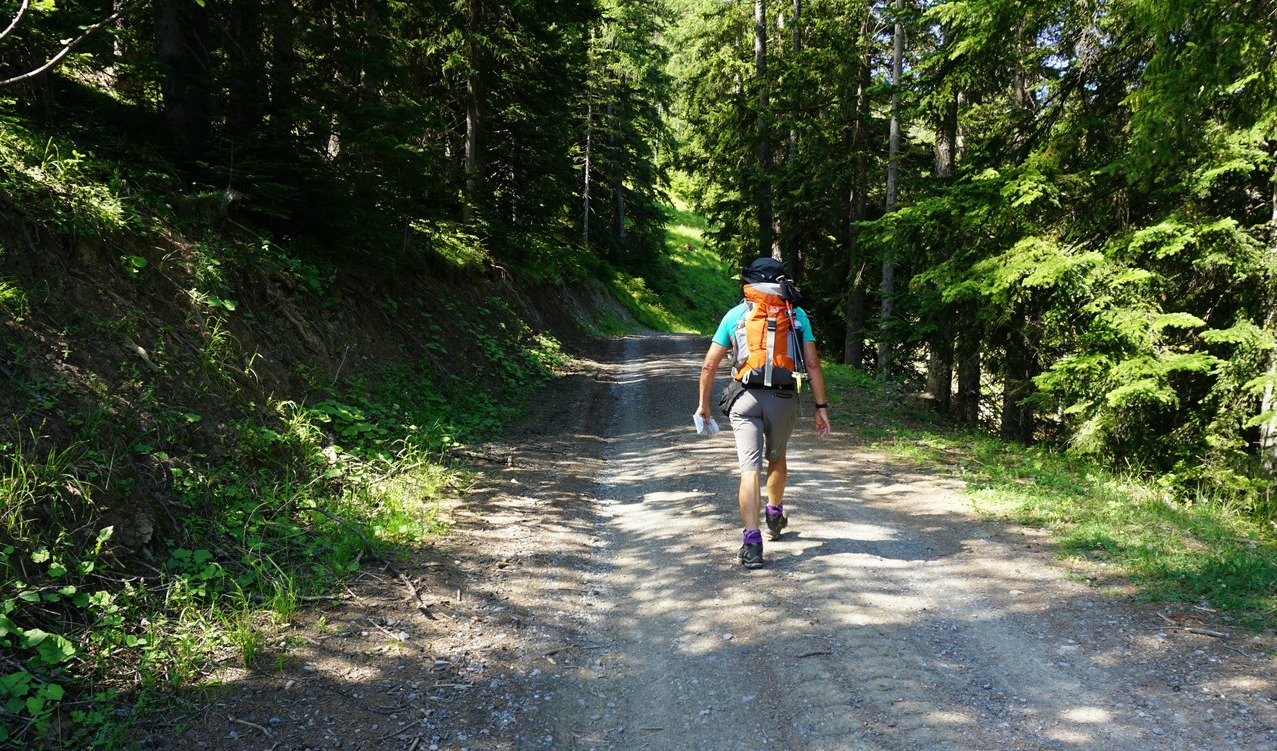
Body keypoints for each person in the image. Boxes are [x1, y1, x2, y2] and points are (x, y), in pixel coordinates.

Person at [695, 257, 831, 569]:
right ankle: (774, 511)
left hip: (744, 399)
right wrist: (821, 408)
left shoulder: (737, 314)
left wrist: (703, 406)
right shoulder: (795, 315)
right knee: (777, 457)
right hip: (784, 399)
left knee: (749, 469)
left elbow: (709, 364)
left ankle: (752, 544)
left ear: (749, 282)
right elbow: (811, 365)